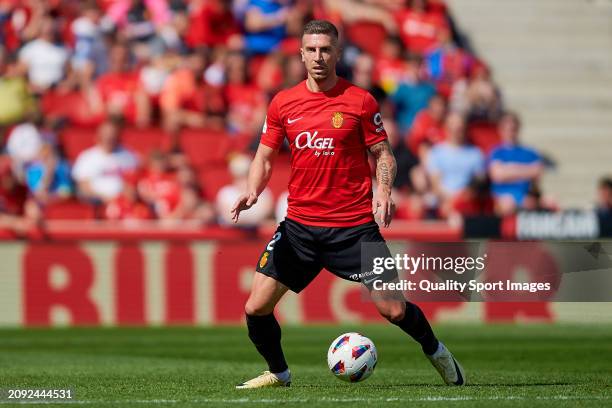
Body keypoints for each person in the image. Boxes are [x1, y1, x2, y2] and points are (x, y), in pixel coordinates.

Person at [231, 20, 465, 389]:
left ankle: (436, 351)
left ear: (338, 53)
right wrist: (252, 190)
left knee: (394, 309)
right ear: (301, 54)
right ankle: (279, 372)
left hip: (354, 227)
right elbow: (263, 156)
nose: (319, 57)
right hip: (300, 228)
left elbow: (383, 154)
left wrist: (383, 191)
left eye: (326, 49)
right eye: (312, 50)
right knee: (255, 308)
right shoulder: (283, 103)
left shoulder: (360, 100)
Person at [488, 112, 543, 214]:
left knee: (550, 202)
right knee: (508, 204)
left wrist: (509, 169)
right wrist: (526, 170)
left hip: (526, 196)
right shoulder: (497, 152)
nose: (510, 132)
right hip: (503, 197)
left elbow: (537, 172)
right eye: (507, 129)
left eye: (513, 129)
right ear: (501, 130)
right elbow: (497, 175)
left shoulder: (530, 152)